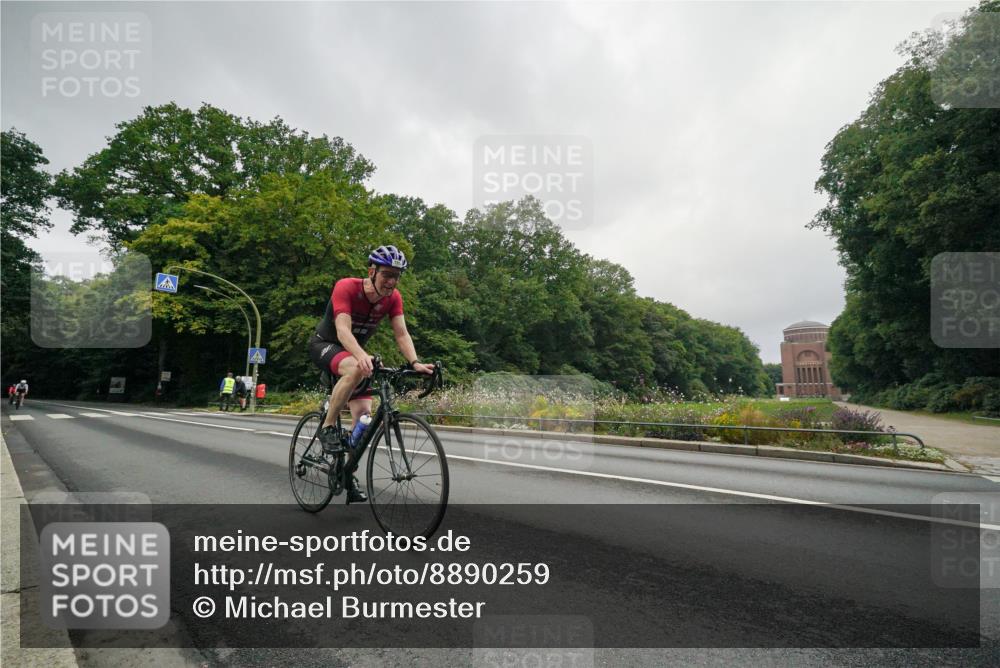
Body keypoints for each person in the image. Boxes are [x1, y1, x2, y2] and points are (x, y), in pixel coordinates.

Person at [309, 245, 434, 503]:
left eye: (396, 276)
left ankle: (346, 473)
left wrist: (415, 362)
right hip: (326, 345)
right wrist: (360, 355)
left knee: (363, 421)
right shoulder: (347, 287)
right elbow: (343, 331)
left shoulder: (393, 298)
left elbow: (401, 333)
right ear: (372, 271)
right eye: (387, 274)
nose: (391, 281)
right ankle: (328, 425)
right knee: (358, 366)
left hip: (354, 353)